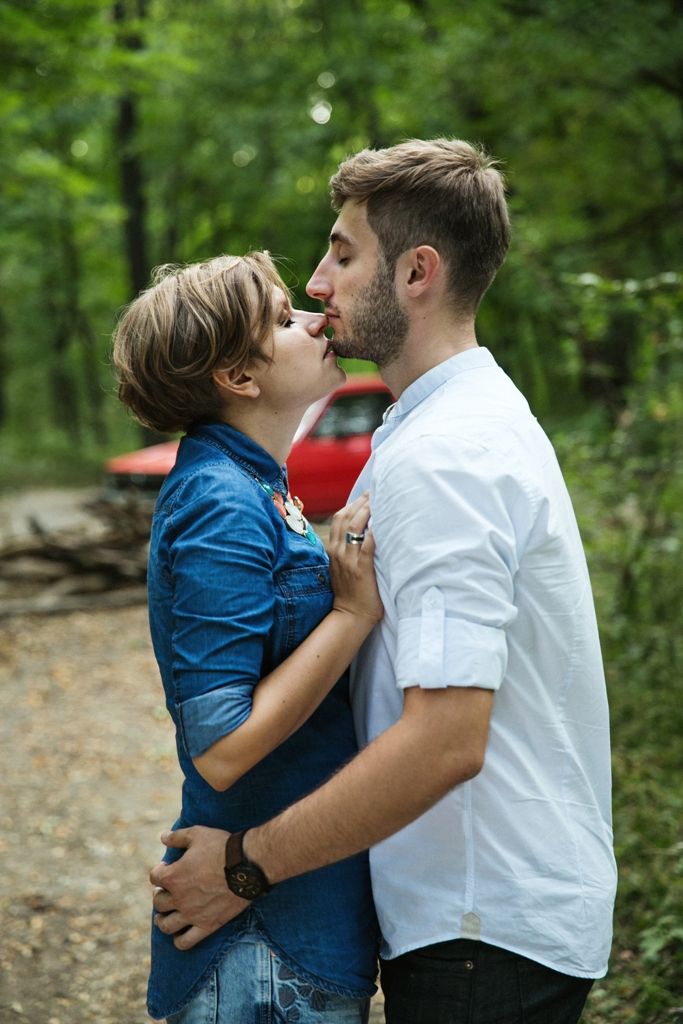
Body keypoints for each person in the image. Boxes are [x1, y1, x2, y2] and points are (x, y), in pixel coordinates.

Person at [150, 139, 618, 1024]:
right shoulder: (431, 425)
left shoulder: (450, 456)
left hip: (480, 932)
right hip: (465, 921)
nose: (318, 283)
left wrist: (244, 865)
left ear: (416, 272)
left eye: (341, 251)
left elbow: (447, 741)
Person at [112, 252, 382, 1022]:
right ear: (238, 376)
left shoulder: (253, 483)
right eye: (279, 316)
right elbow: (221, 746)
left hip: (291, 915)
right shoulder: (218, 499)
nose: (311, 319)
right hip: (259, 943)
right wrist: (352, 614)